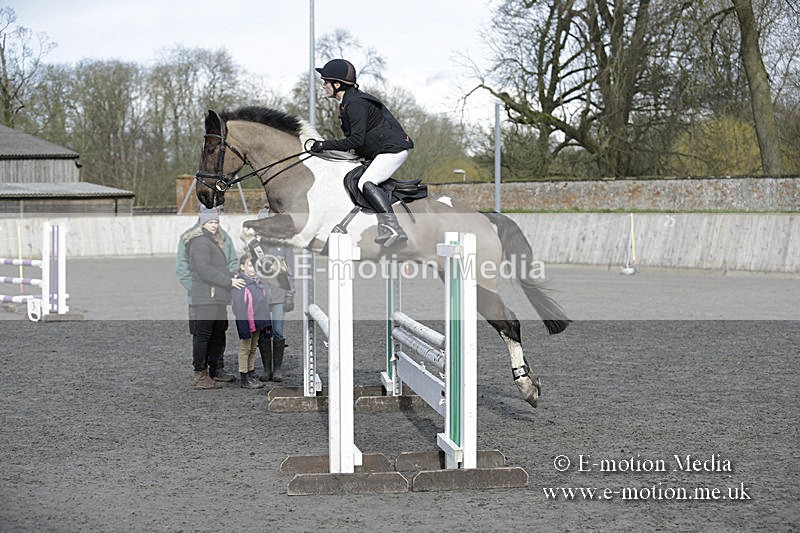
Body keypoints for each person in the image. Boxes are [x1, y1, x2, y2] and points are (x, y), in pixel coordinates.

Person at [310, 58, 414, 247]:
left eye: (326, 81)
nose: (323, 85)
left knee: (367, 181)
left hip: (394, 149)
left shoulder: (355, 104)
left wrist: (324, 145)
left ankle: (392, 227)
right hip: (381, 150)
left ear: (337, 84)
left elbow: (356, 140)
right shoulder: (348, 102)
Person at [185, 208, 246, 389]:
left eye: (216, 222)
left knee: (218, 333)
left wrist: (237, 275)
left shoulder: (211, 241)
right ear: (203, 223)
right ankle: (200, 374)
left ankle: (215, 370)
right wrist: (229, 281)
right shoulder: (200, 243)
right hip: (206, 296)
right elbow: (204, 270)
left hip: (217, 296)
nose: (214, 225)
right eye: (210, 222)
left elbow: (218, 268)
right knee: (203, 335)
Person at [255, 207, 295, 383]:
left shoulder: (284, 245)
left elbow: (290, 270)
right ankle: (266, 369)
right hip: (262, 295)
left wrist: (290, 294)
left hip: (279, 294)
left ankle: (277, 369)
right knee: (264, 332)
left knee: (278, 331)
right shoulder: (256, 246)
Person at [231, 255, 269, 389]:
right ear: (242, 267)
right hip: (247, 322)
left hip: (257, 322)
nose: (253, 269)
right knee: (245, 349)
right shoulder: (241, 284)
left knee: (253, 348)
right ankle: (244, 377)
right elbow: (239, 307)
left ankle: (251, 373)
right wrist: (243, 327)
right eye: (250, 265)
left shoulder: (258, 283)